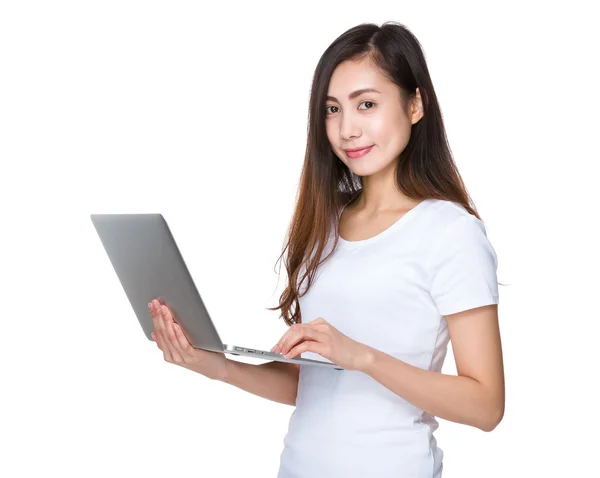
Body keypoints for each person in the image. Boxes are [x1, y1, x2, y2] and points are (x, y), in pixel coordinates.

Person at [148, 21, 505, 478]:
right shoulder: (325, 224)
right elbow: (313, 385)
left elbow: (486, 406)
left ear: (415, 105)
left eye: (367, 105)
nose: (347, 129)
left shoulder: (451, 233)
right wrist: (213, 364)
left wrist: (364, 357)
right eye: (332, 109)